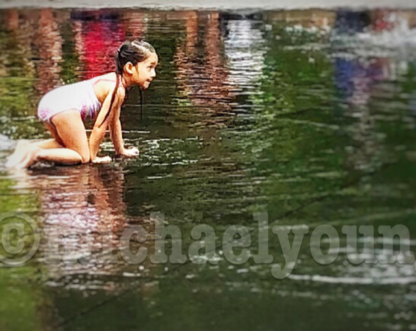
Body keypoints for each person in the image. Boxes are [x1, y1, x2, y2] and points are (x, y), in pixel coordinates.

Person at [6, 40, 158, 168]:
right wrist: (93, 156)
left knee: (67, 146)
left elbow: (114, 121)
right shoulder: (117, 90)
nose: (153, 74)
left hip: (51, 102)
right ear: (130, 68)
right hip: (63, 107)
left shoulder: (114, 81)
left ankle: (28, 147)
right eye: (149, 67)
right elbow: (100, 126)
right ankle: (36, 154)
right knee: (82, 156)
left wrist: (121, 150)